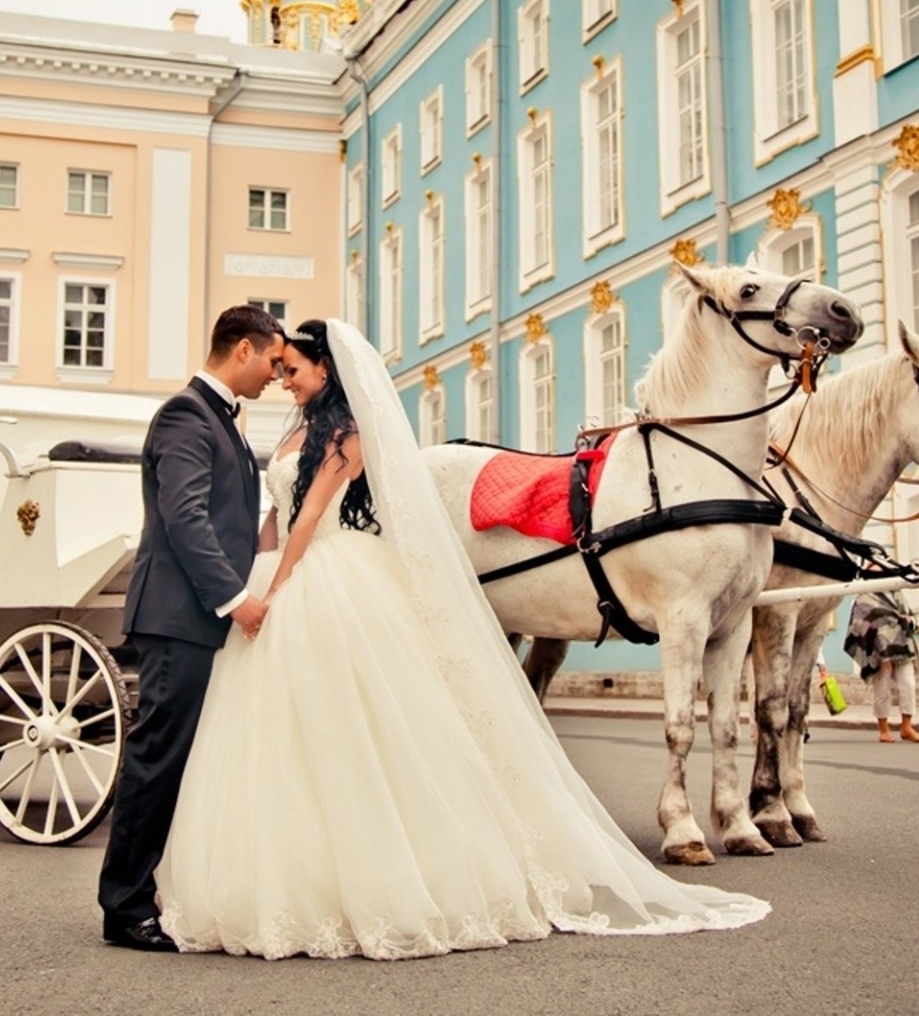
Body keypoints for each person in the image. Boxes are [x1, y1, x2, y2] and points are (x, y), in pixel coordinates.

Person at [154, 318, 769, 960]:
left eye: (295, 370)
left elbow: (311, 515)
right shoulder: (297, 433)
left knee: (361, 732)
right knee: (286, 734)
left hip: (330, 576)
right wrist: (251, 577)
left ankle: (380, 870)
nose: (284, 380)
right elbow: (280, 515)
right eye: (279, 371)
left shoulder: (345, 434)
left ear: (326, 370)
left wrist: (275, 589)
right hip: (298, 574)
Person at [97, 305, 285, 952]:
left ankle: (148, 891)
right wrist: (235, 599)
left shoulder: (219, 419)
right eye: (269, 360)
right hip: (178, 617)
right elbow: (184, 516)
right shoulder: (186, 415)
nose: (273, 374)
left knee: (178, 759)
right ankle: (123, 905)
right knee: (156, 759)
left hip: (194, 616)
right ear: (241, 350)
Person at [843, 589, 919, 743]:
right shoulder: (865, 597)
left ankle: (907, 727)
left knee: (908, 684)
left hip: (902, 647)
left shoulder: (897, 592)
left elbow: (912, 616)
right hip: (879, 651)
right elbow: (858, 624)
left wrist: (908, 621)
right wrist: (877, 636)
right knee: (882, 689)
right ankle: (883, 729)